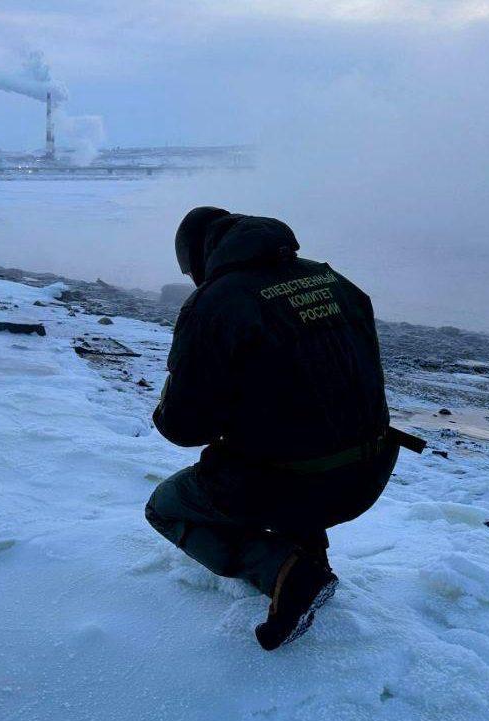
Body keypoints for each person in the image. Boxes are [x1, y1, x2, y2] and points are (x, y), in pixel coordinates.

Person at [145, 206, 424, 650]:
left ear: (200, 257)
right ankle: (308, 555)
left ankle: (286, 571)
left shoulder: (216, 303)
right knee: (293, 443)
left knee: (165, 507)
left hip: (295, 483)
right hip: (370, 471)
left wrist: (168, 402)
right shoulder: (333, 281)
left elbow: (183, 428)